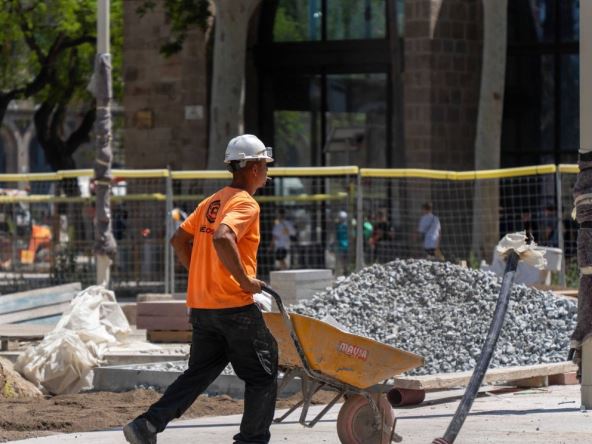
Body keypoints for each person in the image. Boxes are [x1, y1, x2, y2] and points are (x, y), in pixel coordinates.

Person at [123, 134, 278, 444]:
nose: (267, 171)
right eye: (264, 164)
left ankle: (147, 425)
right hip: (234, 307)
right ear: (251, 168)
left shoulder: (212, 201)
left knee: (199, 373)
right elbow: (223, 237)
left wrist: (200, 272)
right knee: (263, 373)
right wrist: (245, 281)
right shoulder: (246, 203)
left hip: (204, 307)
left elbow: (178, 240)